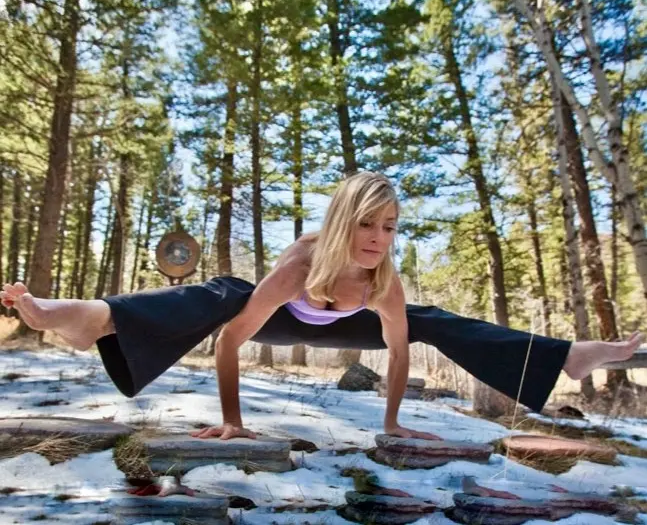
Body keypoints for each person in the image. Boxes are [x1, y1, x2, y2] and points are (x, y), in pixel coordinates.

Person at [1, 173, 643, 442]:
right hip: (288, 313)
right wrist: (232, 420)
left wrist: (391, 422)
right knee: (225, 293)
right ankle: (94, 317)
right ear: (343, 222)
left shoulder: (384, 281)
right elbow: (231, 342)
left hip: (355, 323)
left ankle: (568, 357)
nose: (378, 239)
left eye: (390, 227)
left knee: (432, 318)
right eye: (368, 225)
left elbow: (396, 356)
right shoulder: (301, 263)